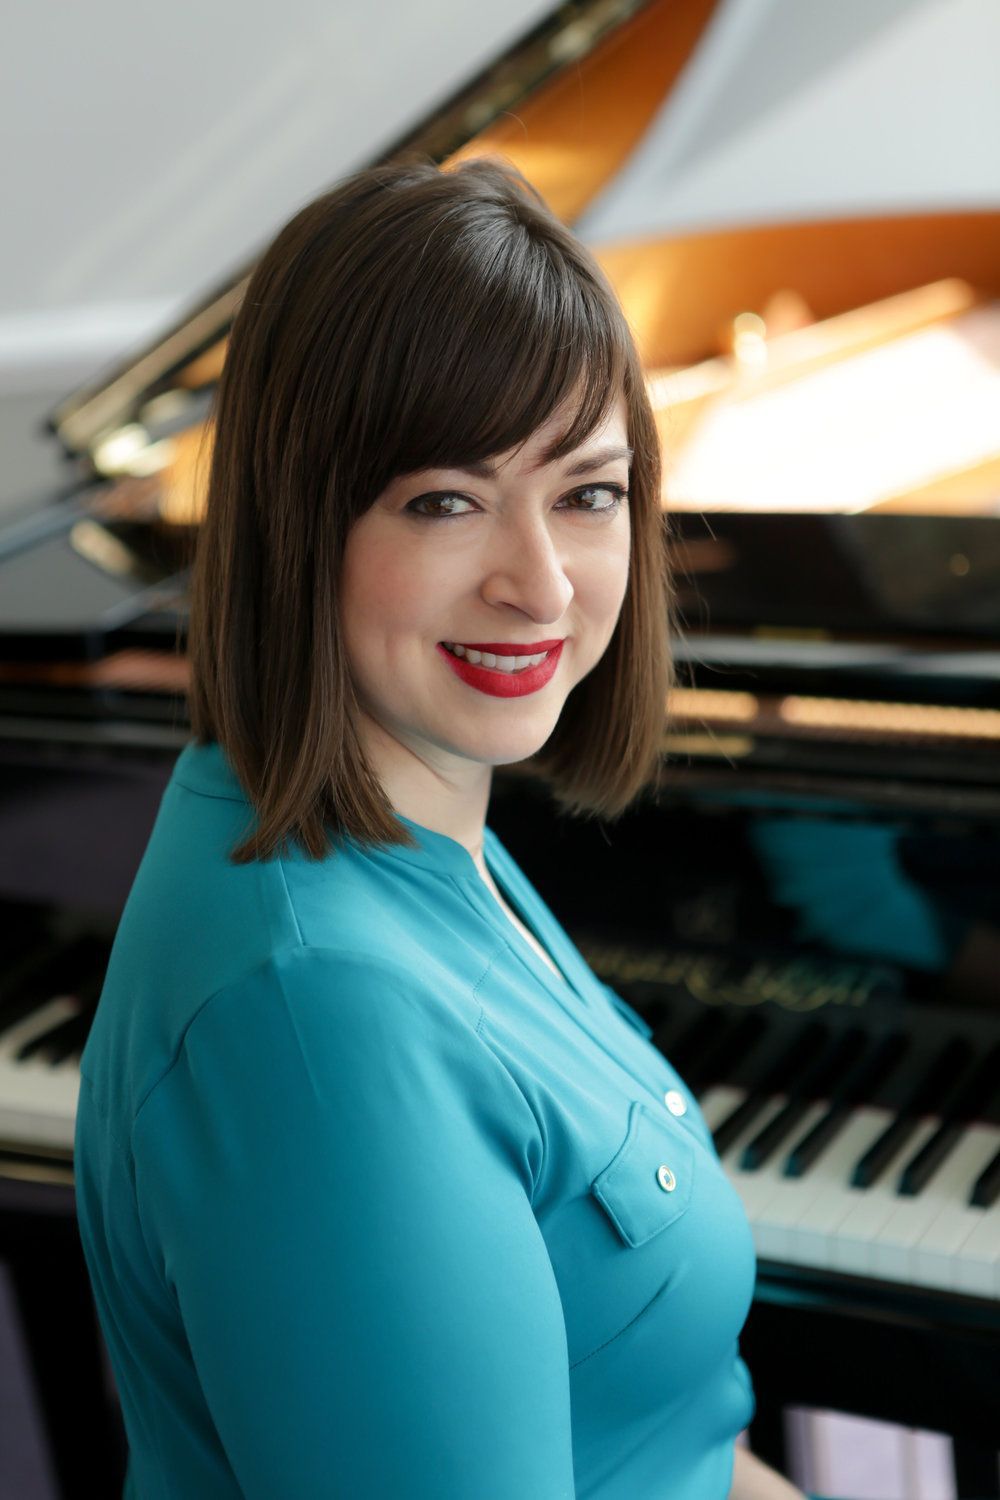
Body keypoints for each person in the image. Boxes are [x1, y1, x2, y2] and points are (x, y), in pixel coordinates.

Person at [74, 156, 813, 1499]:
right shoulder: (321, 1020)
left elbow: (663, 1443)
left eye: (587, 492)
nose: (540, 582)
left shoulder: (420, 820)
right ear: (303, 525)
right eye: (446, 501)